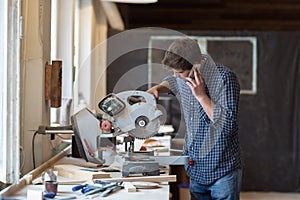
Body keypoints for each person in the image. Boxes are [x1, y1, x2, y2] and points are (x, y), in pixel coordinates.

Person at [147, 37, 242, 200]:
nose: (176, 76)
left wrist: (201, 96)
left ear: (197, 63)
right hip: (196, 169)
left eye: (180, 72)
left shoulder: (225, 78)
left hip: (222, 170)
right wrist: (158, 88)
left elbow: (228, 126)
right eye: (174, 71)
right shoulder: (182, 76)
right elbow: (172, 82)